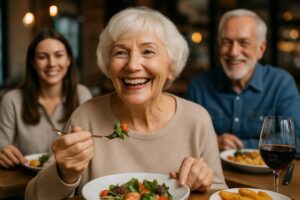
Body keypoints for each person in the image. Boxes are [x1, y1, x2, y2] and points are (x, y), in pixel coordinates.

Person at [25, 7, 227, 199]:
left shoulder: (196, 119)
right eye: (120, 52)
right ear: (108, 65)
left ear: (172, 65)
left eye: (148, 51)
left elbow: (220, 193)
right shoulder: (86, 116)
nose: (132, 66)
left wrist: (203, 183)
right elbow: (34, 196)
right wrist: (64, 173)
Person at [185, 9, 300, 158]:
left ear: (261, 49)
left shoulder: (281, 83)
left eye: (244, 43)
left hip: (268, 178)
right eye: (227, 42)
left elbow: (297, 141)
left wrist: (242, 147)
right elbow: (182, 140)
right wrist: (212, 143)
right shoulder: (198, 86)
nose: (233, 52)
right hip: (212, 178)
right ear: (219, 45)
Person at [0, 29, 92, 168]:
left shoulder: (82, 94)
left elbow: (90, 145)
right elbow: (2, 144)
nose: (51, 63)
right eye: (42, 57)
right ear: (32, 62)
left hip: (69, 181)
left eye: (58, 55)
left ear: (68, 60)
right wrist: (2, 152)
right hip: (21, 182)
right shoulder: (12, 100)